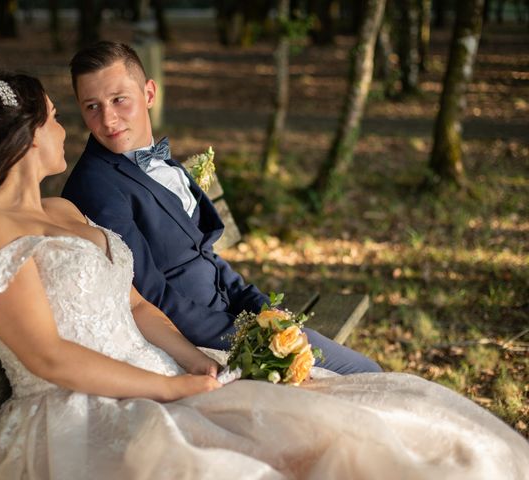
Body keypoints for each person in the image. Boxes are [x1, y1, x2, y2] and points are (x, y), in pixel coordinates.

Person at [0, 74, 528, 479]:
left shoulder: (60, 210)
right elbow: (50, 357)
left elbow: (136, 307)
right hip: (80, 412)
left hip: (157, 376)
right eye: (57, 119)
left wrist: (193, 361)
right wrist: (170, 390)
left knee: (353, 416)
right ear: (30, 135)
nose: (65, 130)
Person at [61, 41, 380, 374]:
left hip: (232, 317)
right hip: (190, 343)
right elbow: (151, 296)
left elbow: (206, 257)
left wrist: (266, 312)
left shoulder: (159, 164)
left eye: (118, 100)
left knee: (366, 372)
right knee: (365, 374)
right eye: (92, 107)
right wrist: (251, 338)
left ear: (149, 94)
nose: (108, 119)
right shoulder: (97, 187)